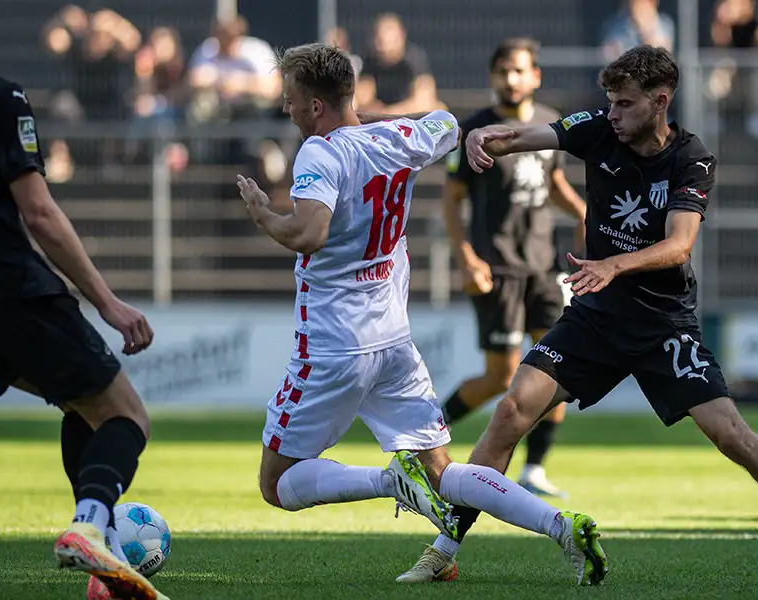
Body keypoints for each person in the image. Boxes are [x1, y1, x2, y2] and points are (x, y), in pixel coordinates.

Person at [397, 45, 758, 590]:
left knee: (731, 435)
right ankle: (445, 550)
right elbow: (522, 137)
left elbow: (679, 246)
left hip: (664, 323)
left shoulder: (692, 159)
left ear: (660, 102)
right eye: (610, 101)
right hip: (596, 315)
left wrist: (613, 263)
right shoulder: (597, 128)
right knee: (512, 409)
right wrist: (482, 136)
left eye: (625, 103)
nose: (613, 112)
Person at [237, 42, 607, 585]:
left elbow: (309, 232)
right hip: (393, 341)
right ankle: (560, 525)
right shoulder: (397, 137)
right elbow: (446, 124)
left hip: (333, 344)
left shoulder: (319, 152)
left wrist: (265, 214)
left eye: (292, 100)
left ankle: (388, 481)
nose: (288, 111)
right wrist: (388, 123)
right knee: (445, 471)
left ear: (316, 105)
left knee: (276, 484)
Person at [0, 2, 167, 599]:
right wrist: (107, 302)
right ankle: (88, 526)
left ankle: (105, 563)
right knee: (127, 417)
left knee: (84, 407)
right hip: (8, 290)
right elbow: (40, 212)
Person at [439, 37, 585, 498]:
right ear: (493, 76)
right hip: (497, 267)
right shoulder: (476, 130)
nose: (512, 78)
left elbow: (552, 179)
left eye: (520, 70)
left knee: (558, 369)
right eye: (504, 71)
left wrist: (582, 212)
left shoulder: (549, 125)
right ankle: (423, 439)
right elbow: (451, 199)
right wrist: (465, 255)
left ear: (535, 76)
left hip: (544, 268)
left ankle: (535, 468)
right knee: (500, 378)